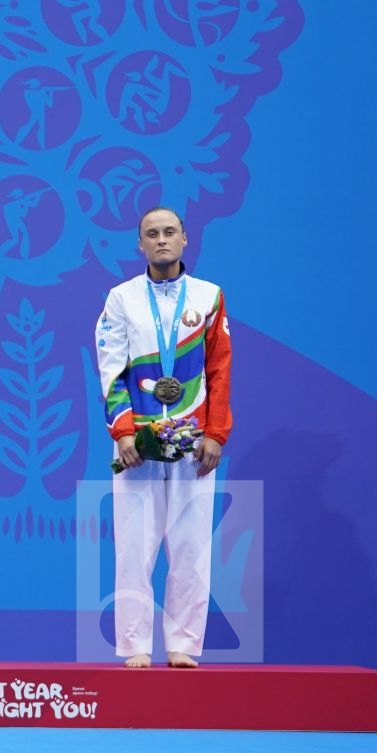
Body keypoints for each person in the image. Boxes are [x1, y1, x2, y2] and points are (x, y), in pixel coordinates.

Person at [97, 206, 231, 668]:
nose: (161, 240)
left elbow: (219, 369)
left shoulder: (209, 297)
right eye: (151, 234)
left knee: (191, 545)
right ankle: (135, 645)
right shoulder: (121, 298)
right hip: (140, 443)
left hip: (195, 443)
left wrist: (216, 433)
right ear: (140, 244)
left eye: (169, 232)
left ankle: (183, 645)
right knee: (134, 545)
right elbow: (111, 369)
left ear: (185, 239)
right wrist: (123, 430)